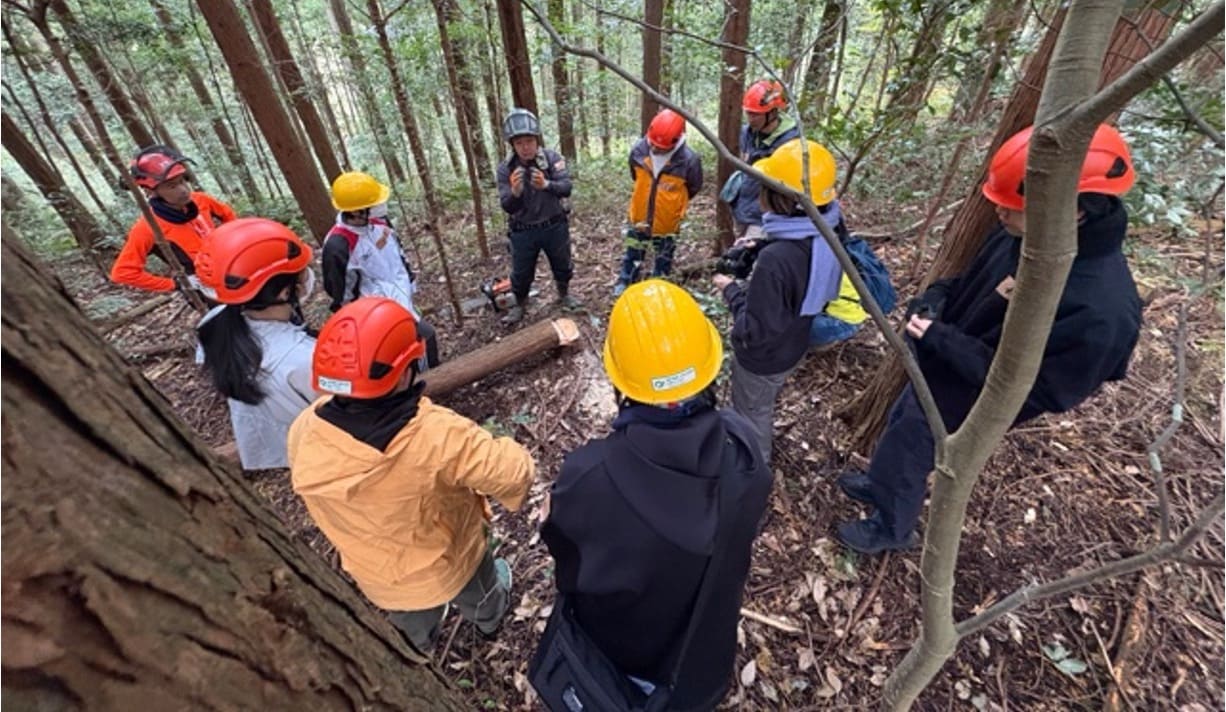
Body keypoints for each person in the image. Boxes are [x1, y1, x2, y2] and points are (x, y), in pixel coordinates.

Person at [835, 124, 1142, 554]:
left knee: (915, 443)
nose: (999, 213)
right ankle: (879, 484)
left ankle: (891, 526)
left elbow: (1042, 389)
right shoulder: (1021, 232)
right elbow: (971, 281)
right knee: (902, 420)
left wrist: (943, 342)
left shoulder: (1103, 310)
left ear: (1072, 210)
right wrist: (935, 300)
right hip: (942, 358)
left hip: (975, 393)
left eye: (1013, 206)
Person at [539, 280, 773, 710]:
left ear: (619, 381)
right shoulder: (743, 449)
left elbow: (567, 565)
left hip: (622, 655)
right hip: (702, 653)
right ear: (708, 366)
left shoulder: (589, 477)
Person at [287, 297, 535, 651]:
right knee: (480, 592)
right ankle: (489, 621)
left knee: (409, 625)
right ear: (404, 371)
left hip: (381, 577)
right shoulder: (436, 435)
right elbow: (513, 474)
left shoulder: (305, 428)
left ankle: (416, 648)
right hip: (451, 560)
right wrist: (509, 448)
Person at [713, 138, 844, 466]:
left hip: (763, 359)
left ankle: (751, 472)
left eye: (765, 188)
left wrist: (731, 290)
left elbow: (754, 330)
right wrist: (759, 246)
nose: (758, 195)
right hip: (795, 341)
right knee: (759, 405)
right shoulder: (829, 228)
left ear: (783, 199)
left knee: (751, 415)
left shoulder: (778, 260)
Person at [193, 217, 318, 470]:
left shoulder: (214, 322)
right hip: (315, 445)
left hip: (273, 434)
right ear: (285, 292)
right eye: (303, 270)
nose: (309, 273)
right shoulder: (303, 359)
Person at [321, 171, 439, 368]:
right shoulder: (338, 245)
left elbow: (397, 253)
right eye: (373, 204)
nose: (380, 207)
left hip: (401, 298)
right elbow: (340, 292)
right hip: (376, 313)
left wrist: (409, 280)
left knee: (421, 345)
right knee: (420, 343)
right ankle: (427, 384)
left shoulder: (380, 223)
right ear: (357, 211)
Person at [111, 145, 236, 294]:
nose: (183, 190)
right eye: (172, 186)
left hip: (232, 268)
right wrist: (176, 284)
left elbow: (227, 214)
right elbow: (122, 272)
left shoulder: (201, 200)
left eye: (182, 181)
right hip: (206, 289)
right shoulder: (147, 228)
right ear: (151, 191)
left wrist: (233, 241)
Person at [495, 108, 579, 325]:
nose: (525, 147)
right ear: (513, 144)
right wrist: (514, 192)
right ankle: (520, 304)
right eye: (520, 143)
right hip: (523, 231)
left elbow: (566, 187)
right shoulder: (506, 169)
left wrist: (547, 184)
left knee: (562, 264)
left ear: (536, 140)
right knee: (521, 274)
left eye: (529, 141)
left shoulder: (551, 159)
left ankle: (564, 294)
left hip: (554, 226)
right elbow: (507, 205)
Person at [613, 108, 703, 296]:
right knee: (633, 252)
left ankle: (659, 284)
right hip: (639, 215)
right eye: (652, 144)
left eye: (660, 148)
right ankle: (626, 279)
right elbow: (634, 176)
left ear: (676, 141)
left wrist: (673, 204)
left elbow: (694, 187)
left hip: (668, 221)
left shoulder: (688, 160)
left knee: (664, 257)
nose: (654, 149)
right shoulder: (639, 150)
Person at [719, 80, 800, 241]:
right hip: (743, 209)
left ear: (773, 112)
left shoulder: (790, 145)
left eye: (755, 114)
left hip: (765, 217)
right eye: (748, 113)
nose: (750, 118)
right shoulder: (747, 134)